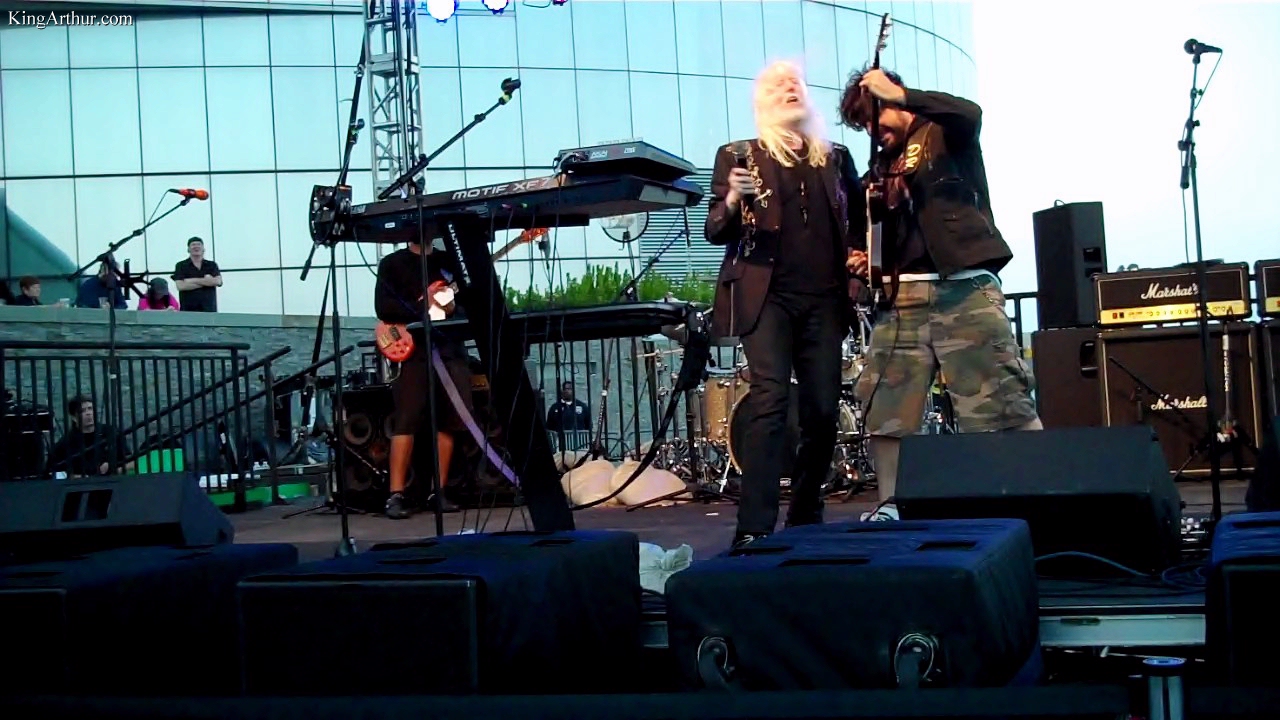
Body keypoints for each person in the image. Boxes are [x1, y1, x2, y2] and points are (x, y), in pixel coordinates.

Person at [838, 68, 1042, 521]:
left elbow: (970, 112)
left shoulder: (945, 133)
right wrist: (863, 260)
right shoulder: (877, 171)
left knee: (1001, 400)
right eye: (864, 124)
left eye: (875, 116)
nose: (873, 129)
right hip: (902, 298)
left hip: (963, 287)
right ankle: (889, 505)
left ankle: (1040, 497)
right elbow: (868, 236)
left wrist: (902, 94)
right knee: (886, 407)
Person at [705, 60, 865, 549]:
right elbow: (715, 230)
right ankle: (754, 526)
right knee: (770, 401)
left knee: (822, 410)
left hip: (825, 298)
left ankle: (806, 512)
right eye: (778, 85)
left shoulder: (835, 157)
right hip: (766, 296)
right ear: (763, 103)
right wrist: (732, 200)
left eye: (795, 83)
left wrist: (859, 267)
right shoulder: (739, 155)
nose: (789, 89)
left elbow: (860, 222)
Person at [374, 236, 475, 519]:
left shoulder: (448, 261)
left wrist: (452, 308)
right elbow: (384, 308)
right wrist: (422, 304)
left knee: (449, 421)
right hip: (412, 350)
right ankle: (396, 494)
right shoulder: (392, 263)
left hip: (448, 348)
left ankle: (439, 492)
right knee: (406, 419)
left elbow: (469, 302)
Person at [47, 395, 132, 477]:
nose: (88, 413)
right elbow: (51, 473)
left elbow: (131, 461)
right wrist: (75, 477)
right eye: (82, 411)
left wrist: (113, 469)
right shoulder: (65, 443)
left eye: (90, 409)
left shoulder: (111, 432)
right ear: (73, 417)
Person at [172, 237, 222, 312]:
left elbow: (218, 282)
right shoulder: (181, 265)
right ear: (188, 249)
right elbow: (181, 286)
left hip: (209, 309)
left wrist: (191, 281)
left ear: (203, 249)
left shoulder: (212, 265)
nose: (196, 246)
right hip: (188, 310)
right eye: (193, 245)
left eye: (199, 244)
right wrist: (207, 282)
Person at [546, 381, 591, 449]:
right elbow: (549, 426)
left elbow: (588, 424)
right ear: (562, 390)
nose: (567, 391)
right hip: (561, 444)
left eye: (569, 389)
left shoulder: (582, 406)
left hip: (579, 443)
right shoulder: (555, 407)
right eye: (565, 389)